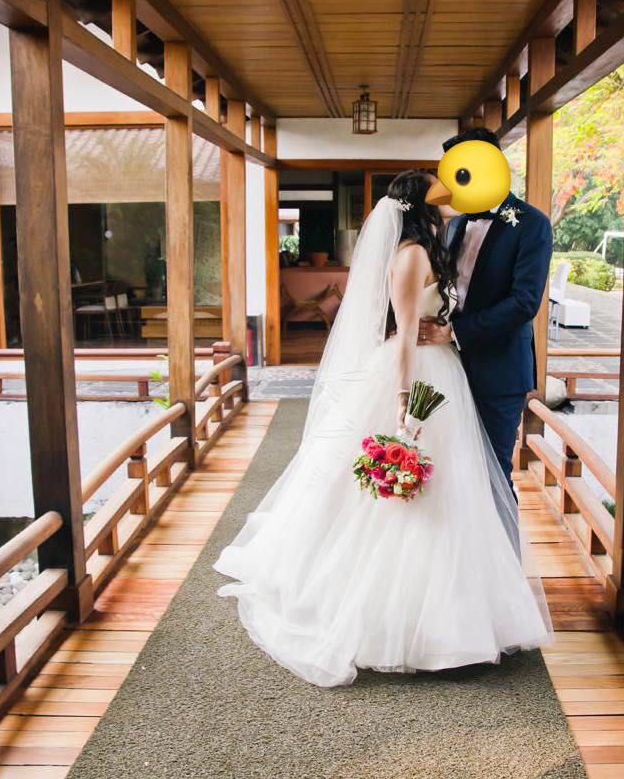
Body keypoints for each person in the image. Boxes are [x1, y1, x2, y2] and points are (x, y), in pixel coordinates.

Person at [214, 169, 552, 688]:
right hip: (420, 374)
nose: (452, 194)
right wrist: (402, 399)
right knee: (419, 495)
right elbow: (408, 330)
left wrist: (451, 336)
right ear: (421, 206)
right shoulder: (414, 254)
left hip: (455, 374)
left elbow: (516, 301)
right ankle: (405, 613)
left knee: (462, 488)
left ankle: (473, 601)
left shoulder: (463, 236)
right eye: (441, 190)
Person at [420, 127, 554, 498]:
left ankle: (504, 539)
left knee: (494, 473)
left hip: (499, 371)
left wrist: (456, 332)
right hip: (447, 368)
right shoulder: (457, 223)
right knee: (450, 470)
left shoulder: (532, 224)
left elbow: (524, 302)